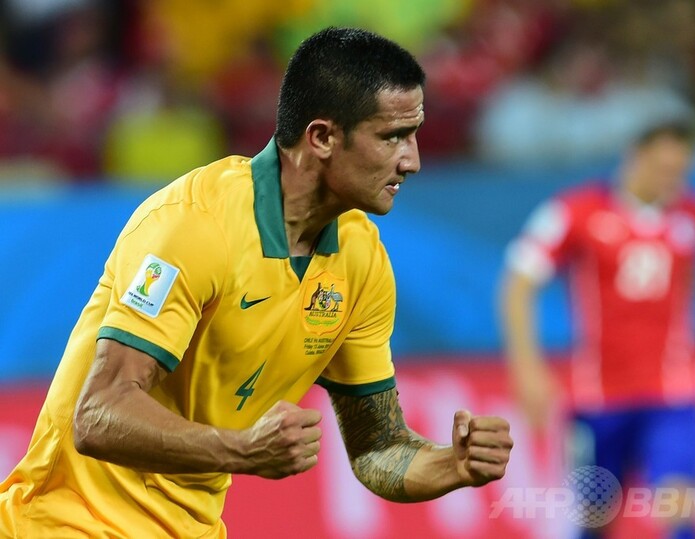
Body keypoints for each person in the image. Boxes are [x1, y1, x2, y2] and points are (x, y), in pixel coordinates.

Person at [0, 27, 513, 538]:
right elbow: (99, 413)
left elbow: (379, 448)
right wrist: (241, 449)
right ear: (322, 138)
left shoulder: (362, 260)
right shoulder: (195, 225)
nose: (412, 160)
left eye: (414, 134)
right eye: (392, 137)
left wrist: (451, 465)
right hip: (67, 523)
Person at [499, 122, 695, 539]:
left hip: (673, 395)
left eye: (680, 172)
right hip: (598, 398)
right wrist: (526, 368)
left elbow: (691, 282)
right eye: (663, 169)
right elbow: (518, 283)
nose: (672, 181)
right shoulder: (576, 211)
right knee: (595, 519)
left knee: (680, 508)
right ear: (635, 157)